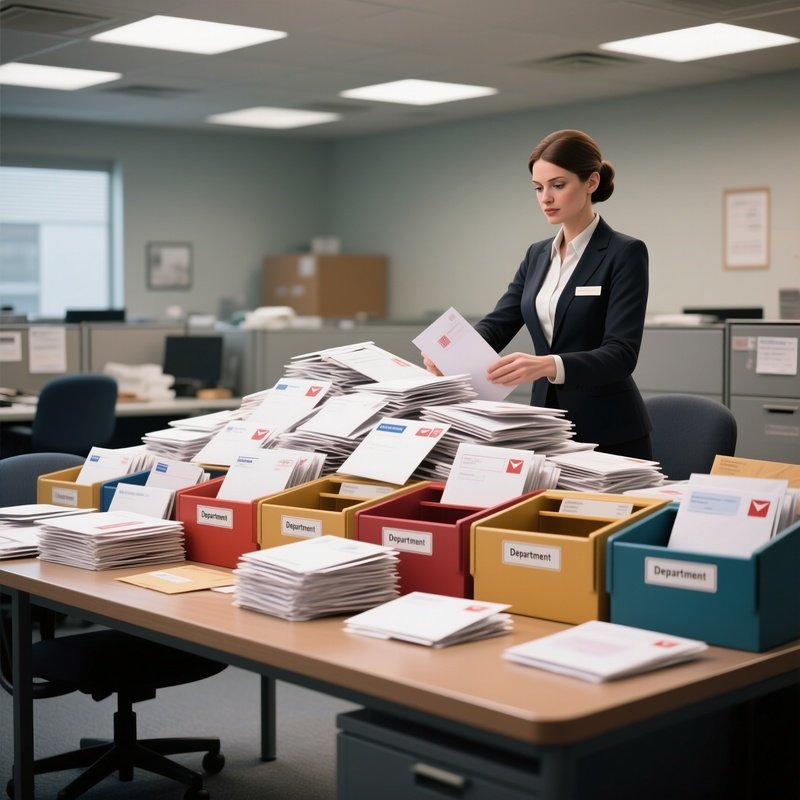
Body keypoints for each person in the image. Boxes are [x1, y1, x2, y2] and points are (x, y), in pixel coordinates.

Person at [424, 129, 652, 459]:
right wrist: (450, 353)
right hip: (548, 426)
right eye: (538, 188)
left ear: (591, 182)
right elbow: (499, 323)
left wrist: (547, 365)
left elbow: (621, 354)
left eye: (558, 185)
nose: (545, 198)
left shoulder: (624, 252)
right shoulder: (537, 255)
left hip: (611, 430)